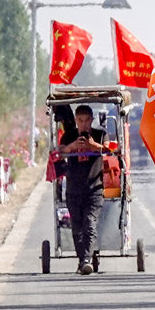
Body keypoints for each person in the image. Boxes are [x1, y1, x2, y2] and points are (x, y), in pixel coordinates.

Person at [57, 104, 110, 275]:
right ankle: (83, 260)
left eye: (87, 120)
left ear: (92, 120)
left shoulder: (100, 135)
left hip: (94, 188)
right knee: (77, 227)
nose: (84, 124)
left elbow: (109, 150)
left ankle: (86, 260)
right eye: (80, 120)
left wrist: (94, 145)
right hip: (73, 189)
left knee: (89, 223)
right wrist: (73, 146)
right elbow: (60, 153)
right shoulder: (68, 136)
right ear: (76, 120)